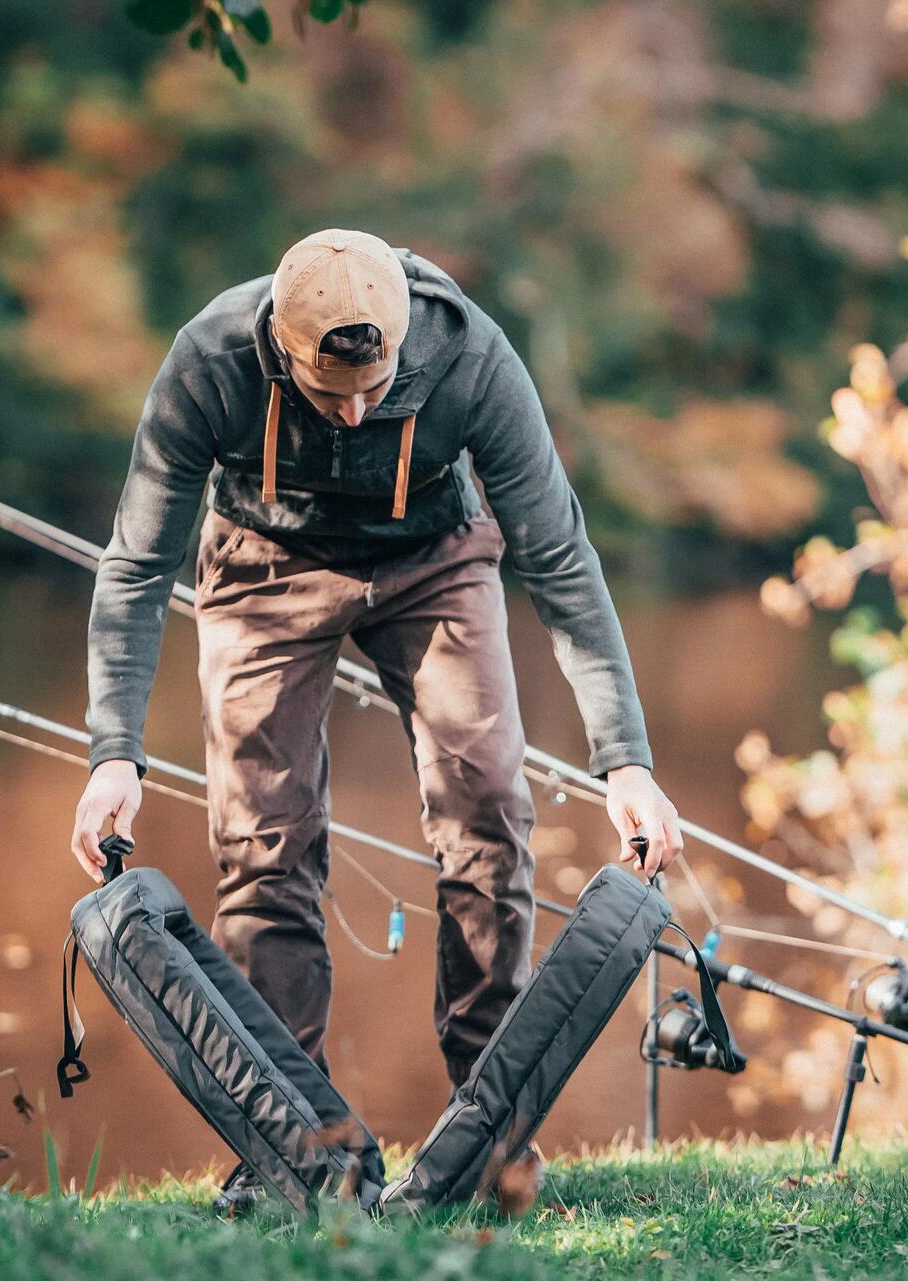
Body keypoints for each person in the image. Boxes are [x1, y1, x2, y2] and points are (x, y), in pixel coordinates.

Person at [71, 228, 682, 1206]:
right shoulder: (211, 363)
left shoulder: (471, 356)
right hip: (262, 568)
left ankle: (491, 1138)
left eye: (374, 387)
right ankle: (287, 1147)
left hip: (432, 562)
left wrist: (626, 761)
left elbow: (560, 559)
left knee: (488, 807)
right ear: (279, 342)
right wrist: (115, 754)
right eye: (329, 392)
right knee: (265, 844)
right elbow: (137, 565)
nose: (355, 412)